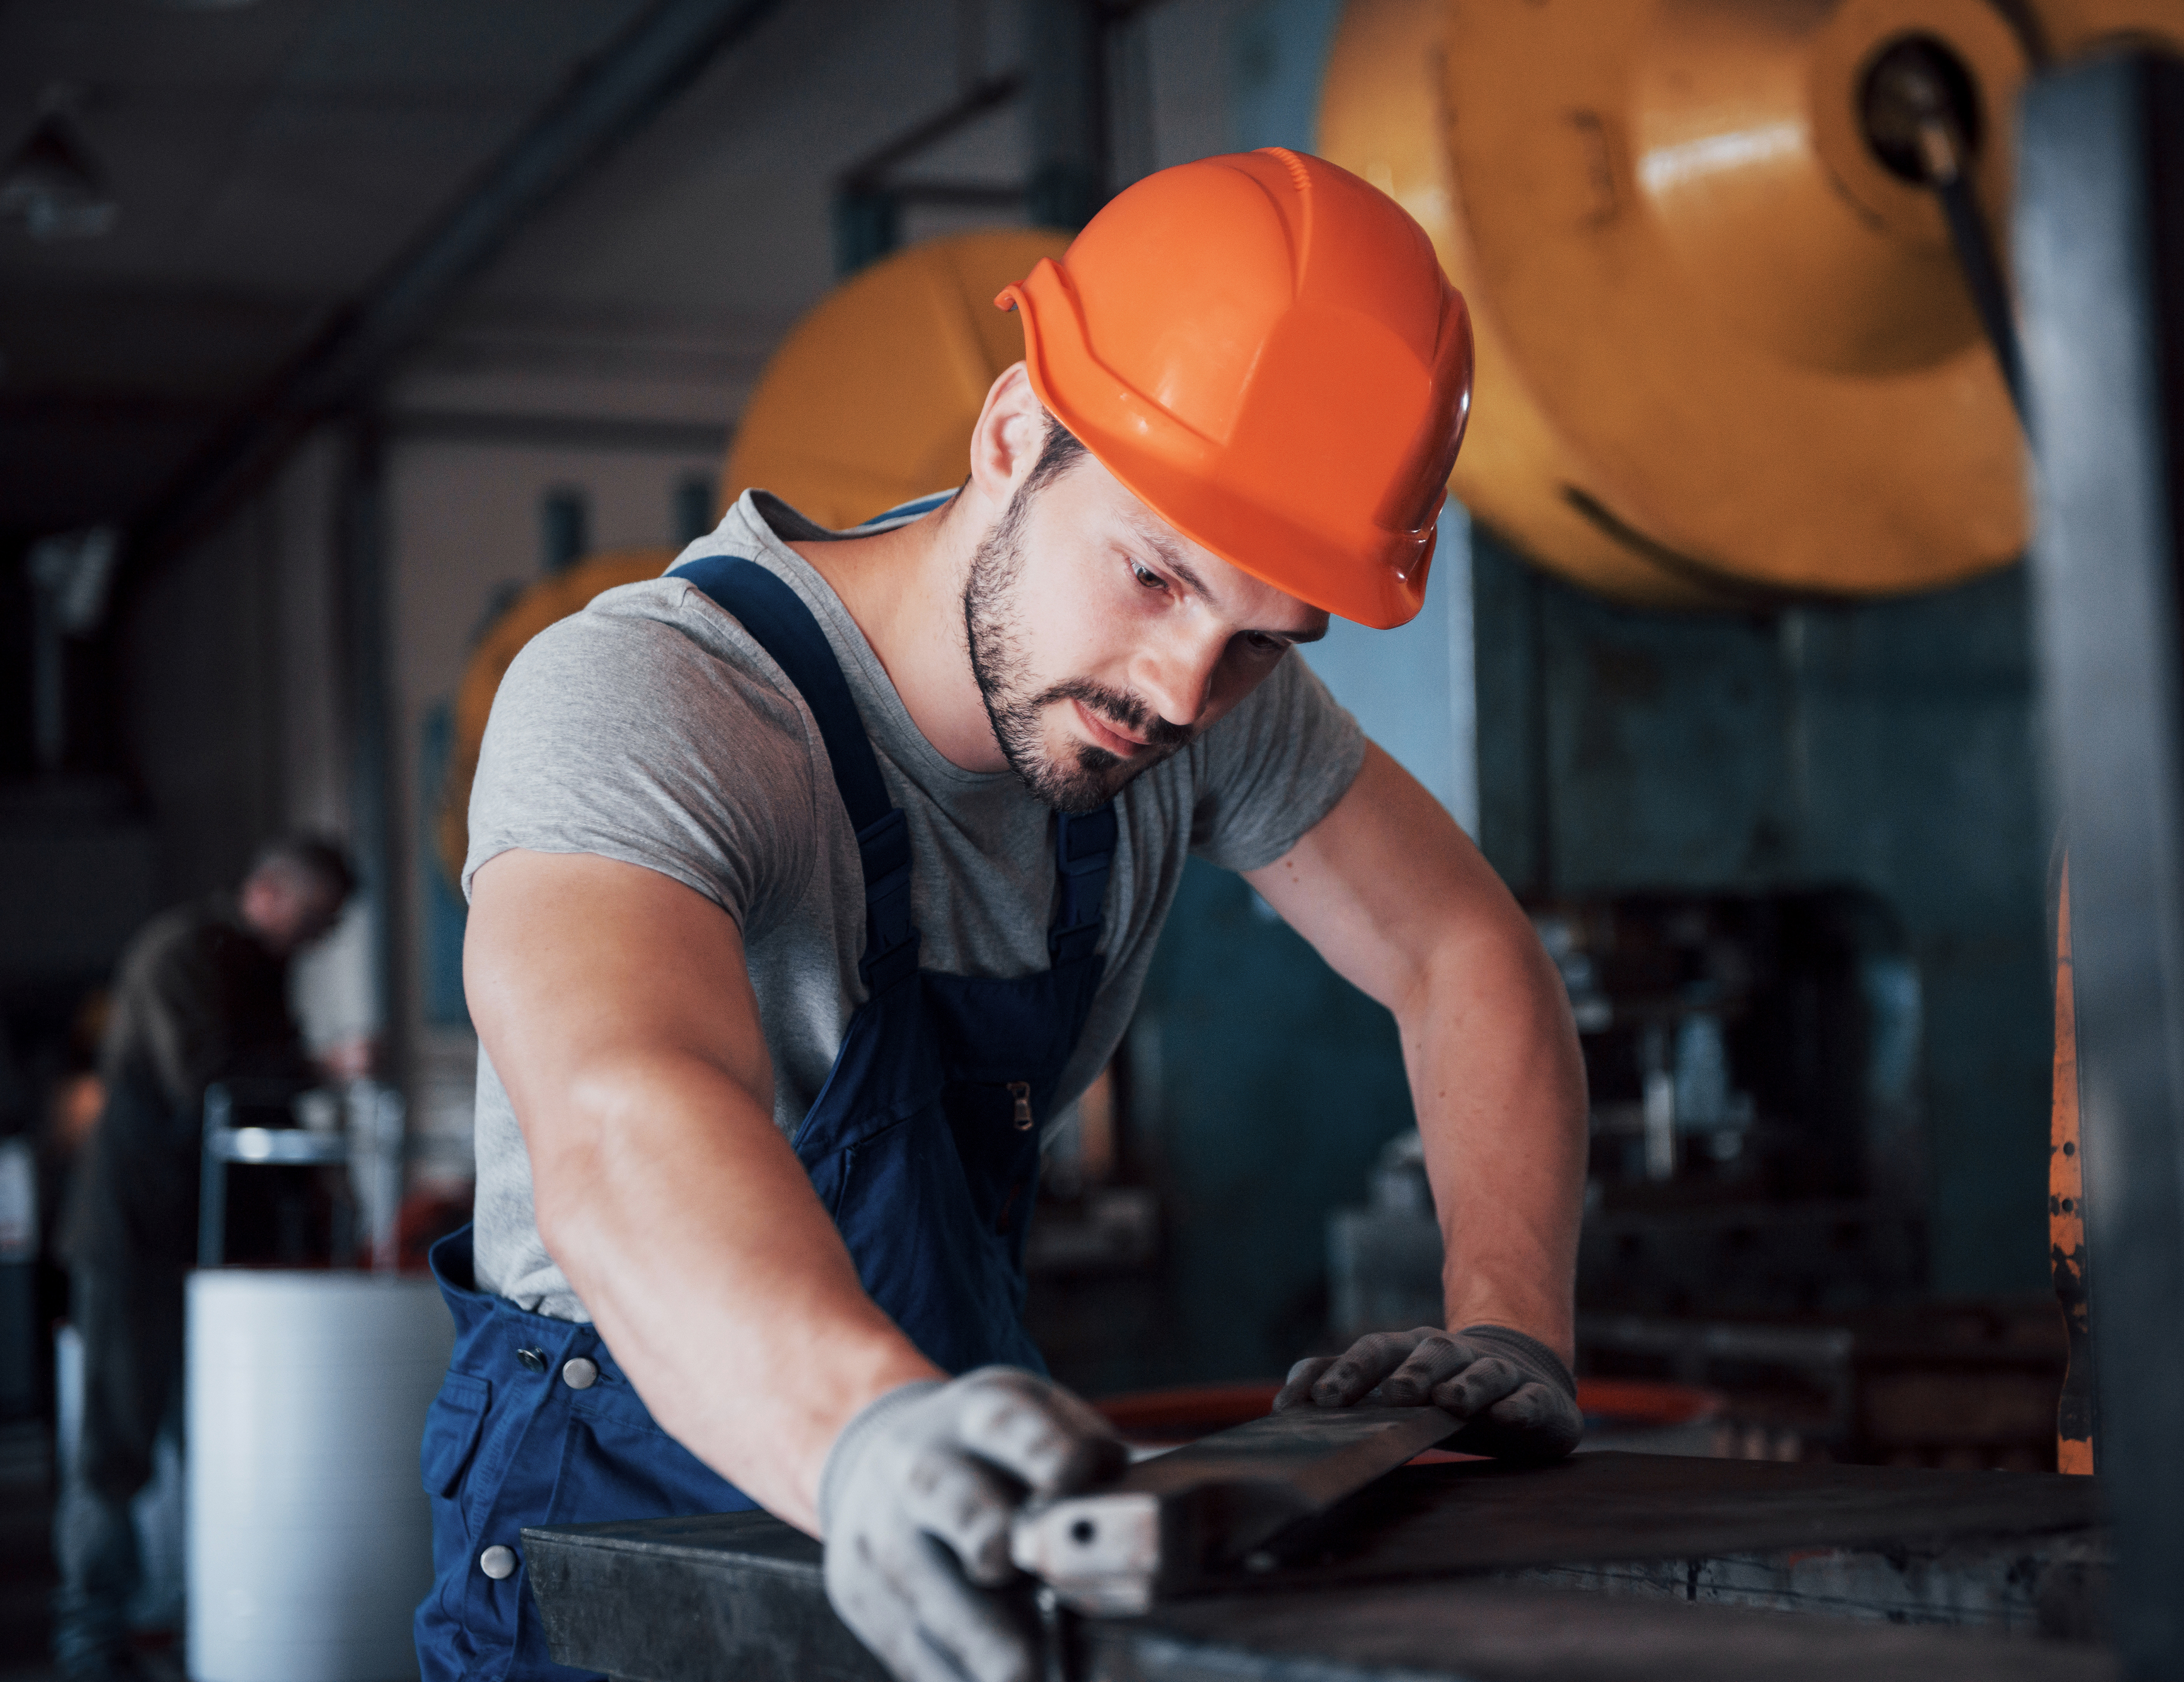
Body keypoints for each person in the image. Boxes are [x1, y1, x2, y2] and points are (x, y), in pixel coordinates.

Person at [424, 149, 1589, 1682]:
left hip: (951, 1504)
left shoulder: (1196, 698)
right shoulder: (653, 699)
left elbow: (1463, 951)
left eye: (1261, 639)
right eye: (1156, 576)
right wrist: (866, 1440)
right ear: (1013, 431)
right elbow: (620, 1114)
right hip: (627, 1516)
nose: (1182, 694)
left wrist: (1504, 1328)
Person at [53, 833, 356, 1681]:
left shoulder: (256, 966)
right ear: (269, 892)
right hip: (134, 1232)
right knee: (119, 1440)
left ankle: (203, 1617)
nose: (319, 939)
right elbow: (210, 1080)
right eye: (316, 919)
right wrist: (321, 1067)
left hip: (206, 1236)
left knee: (214, 1437)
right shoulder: (182, 953)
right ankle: (91, 1636)